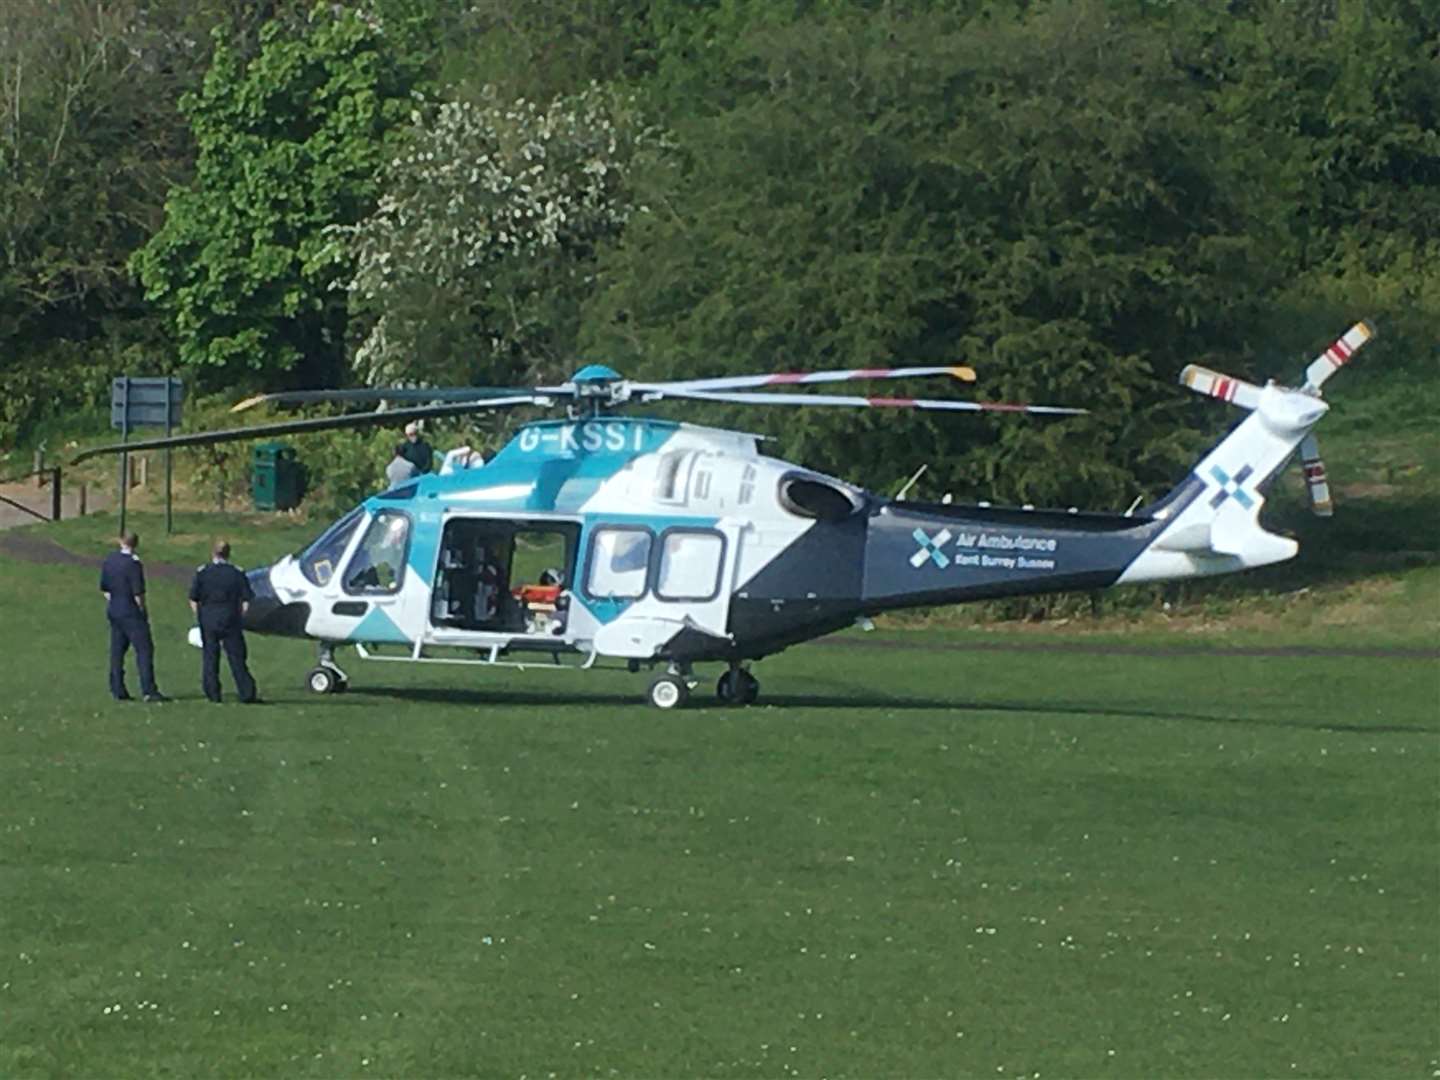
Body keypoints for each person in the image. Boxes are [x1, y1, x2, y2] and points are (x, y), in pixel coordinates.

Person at [99, 530, 167, 702]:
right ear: (136, 544)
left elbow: (105, 589)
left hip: (114, 608)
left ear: (120, 541)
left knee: (117, 650)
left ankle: (117, 688)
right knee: (144, 649)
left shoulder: (110, 560)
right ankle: (148, 689)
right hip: (130, 611)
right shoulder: (134, 564)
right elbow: (138, 593)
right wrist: (143, 610)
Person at [188, 540, 259, 704]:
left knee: (210, 657)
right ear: (228, 554)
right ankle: (246, 692)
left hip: (209, 618)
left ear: (213, 553)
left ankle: (212, 693)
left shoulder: (203, 573)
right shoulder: (236, 573)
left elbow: (193, 599)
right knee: (237, 657)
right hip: (230, 618)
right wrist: (239, 617)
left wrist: (200, 616)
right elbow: (246, 601)